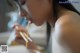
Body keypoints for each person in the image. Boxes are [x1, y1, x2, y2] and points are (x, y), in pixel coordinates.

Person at [7, 0, 80, 53]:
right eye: (17, 6)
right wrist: (30, 45)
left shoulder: (65, 26)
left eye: (23, 3)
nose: (20, 14)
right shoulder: (55, 24)